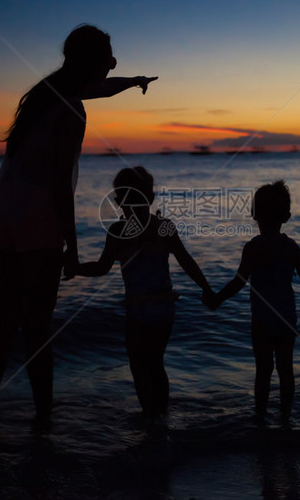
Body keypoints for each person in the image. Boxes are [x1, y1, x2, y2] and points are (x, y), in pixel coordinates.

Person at [0, 25, 157, 427]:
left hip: (0, 218)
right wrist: (72, 248)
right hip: (37, 219)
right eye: (109, 58)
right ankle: (43, 423)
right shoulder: (73, 109)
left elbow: (101, 88)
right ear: (92, 62)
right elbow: (61, 183)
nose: (114, 64)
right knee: (38, 329)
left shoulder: (44, 96)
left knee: (4, 323)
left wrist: (133, 82)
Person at [74, 166, 214, 418]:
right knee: (156, 364)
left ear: (118, 202)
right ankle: (160, 416)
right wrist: (207, 289)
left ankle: (151, 418)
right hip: (164, 310)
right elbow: (186, 260)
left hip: (138, 311)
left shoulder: (117, 232)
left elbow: (101, 268)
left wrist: (75, 269)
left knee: (139, 367)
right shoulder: (163, 227)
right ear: (150, 197)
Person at [207, 180, 300, 420]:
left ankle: (261, 418)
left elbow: (239, 281)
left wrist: (217, 298)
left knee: (263, 372)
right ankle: (285, 417)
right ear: (286, 216)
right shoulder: (291, 247)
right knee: (286, 371)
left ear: (253, 214)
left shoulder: (253, 248)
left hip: (263, 322)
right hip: (286, 318)